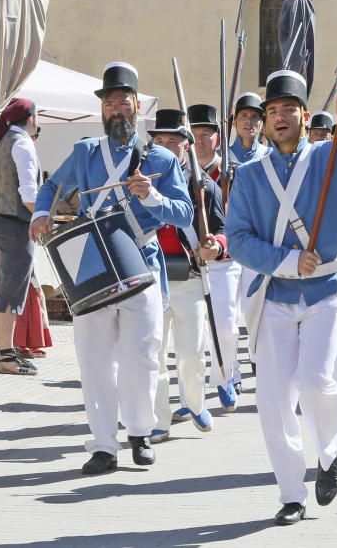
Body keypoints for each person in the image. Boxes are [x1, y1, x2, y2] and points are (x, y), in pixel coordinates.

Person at [226, 71, 337, 525]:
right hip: (276, 296)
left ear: (305, 116)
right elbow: (239, 240)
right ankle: (291, 493)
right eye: (271, 112)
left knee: (315, 380)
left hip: (326, 291)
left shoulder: (332, 157)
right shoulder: (248, 175)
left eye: (288, 110)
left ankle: (330, 453)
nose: (279, 118)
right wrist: (286, 261)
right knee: (272, 400)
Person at [30, 62, 194, 475]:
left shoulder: (161, 158)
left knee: (142, 356)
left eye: (124, 101)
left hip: (144, 263)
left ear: (137, 107)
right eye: (110, 102)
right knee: (95, 359)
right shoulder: (86, 152)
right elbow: (52, 186)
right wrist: (42, 211)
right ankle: (103, 444)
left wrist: (153, 196)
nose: (117, 109)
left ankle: (139, 433)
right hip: (93, 265)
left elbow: (185, 213)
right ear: (103, 109)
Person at [149, 109, 228, 443]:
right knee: (153, 353)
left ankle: (195, 403)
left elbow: (226, 231)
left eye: (173, 141)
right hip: (152, 279)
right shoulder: (139, 183)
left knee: (192, 351)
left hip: (191, 277)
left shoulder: (204, 187)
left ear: (186, 146)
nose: (165, 147)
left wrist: (215, 245)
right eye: (159, 141)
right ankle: (158, 419)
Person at [186, 103, 243, 408]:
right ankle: (190, 395)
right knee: (192, 332)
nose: (201, 140)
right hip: (190, 262)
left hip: (224, 259)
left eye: (206, 134)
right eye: (195, 134)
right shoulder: (180, 171)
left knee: (226, 325)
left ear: (217, 139)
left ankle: (225, 376)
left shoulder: (231, 172)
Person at [0, 97, 42, 375]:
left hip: (0, 220)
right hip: (16, 224)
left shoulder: (1, 142)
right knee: (10, 291)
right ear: (30, 118)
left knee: (7, 289)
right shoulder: (22, 143)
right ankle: (6, 356)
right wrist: (44, 218)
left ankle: (8, 352)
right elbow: (29, 194)